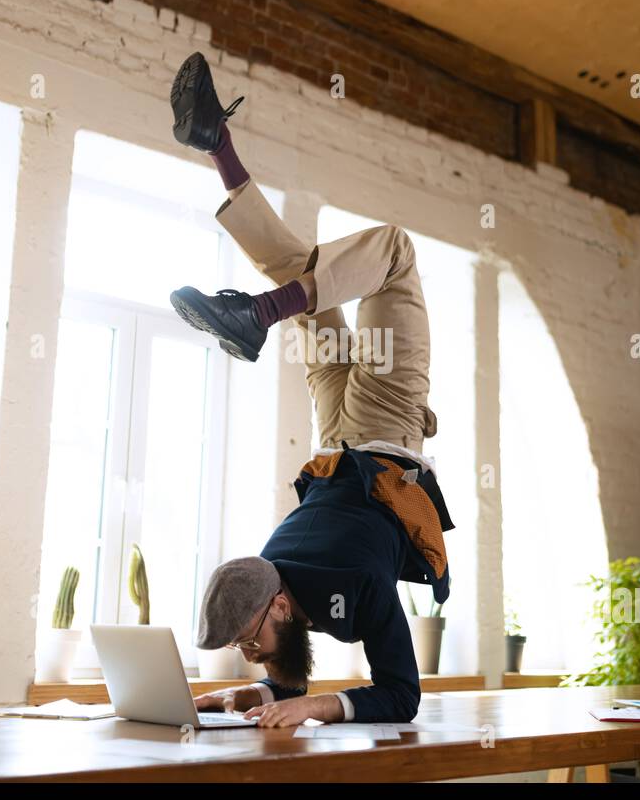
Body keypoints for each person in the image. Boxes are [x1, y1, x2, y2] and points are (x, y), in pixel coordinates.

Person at [168, 51, 452, 727]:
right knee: (308, 272)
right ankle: (219, 147)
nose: (250, 652)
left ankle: (257, 311)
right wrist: (258, 695)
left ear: (281, 607)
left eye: (249, 641)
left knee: (392, 250)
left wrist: (314, 704)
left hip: (371, 425)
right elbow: (382, 689)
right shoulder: (288, 573)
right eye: (246, 646)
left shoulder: (344, 582)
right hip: (348, 432)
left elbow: (396, 699)